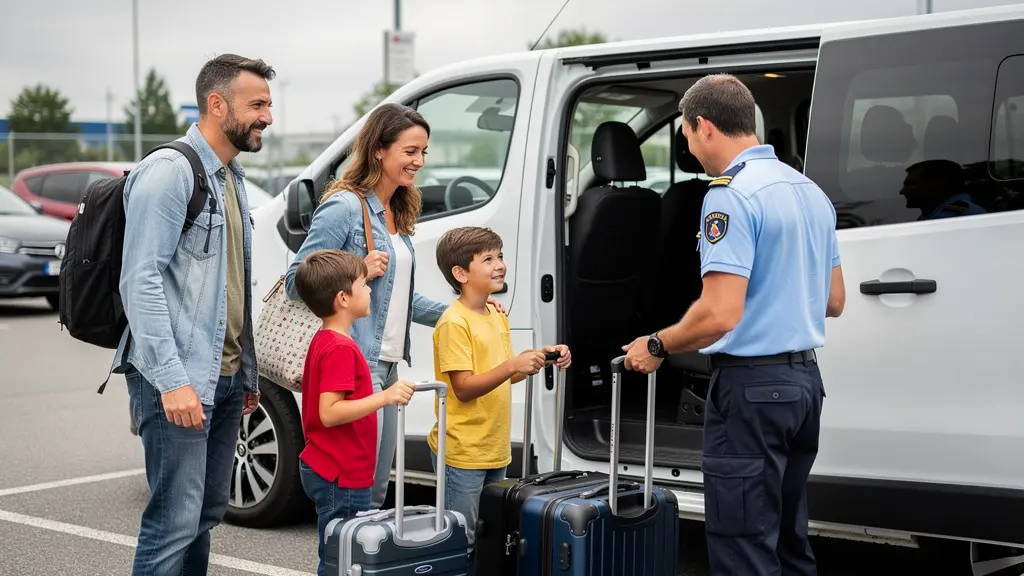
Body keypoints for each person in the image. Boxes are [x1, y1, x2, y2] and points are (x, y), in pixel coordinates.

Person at [621, 74, 846, 576]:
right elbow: (833, 301)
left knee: (743, 543)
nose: (687, 144)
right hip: (804, 386)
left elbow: (720, 313)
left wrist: (658, 343)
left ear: (703, 126)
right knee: (789, 540)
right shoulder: (809, 190)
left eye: (684, 133)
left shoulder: (729, 196)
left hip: (752, 391)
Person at [283, 103, 506, 510]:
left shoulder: (397, 210)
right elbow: (296, 280)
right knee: (360, 494)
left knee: (375, 493)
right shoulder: (345, 207)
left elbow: (402, 298)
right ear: (379, 151)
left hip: (387, 367)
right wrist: (360, 271)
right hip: (357, 367)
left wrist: (470, 313)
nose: (418, 161)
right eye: (410, 151)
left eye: (423, 152)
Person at [114, 54, 276, 575]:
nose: (268, 117)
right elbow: (140, 280)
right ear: (216, 103)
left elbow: (229, 286)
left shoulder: (230, 177)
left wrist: (244, 372)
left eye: (269, 105)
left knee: (205, 514)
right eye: (257, 104)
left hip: (224, 379)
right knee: (173, 521)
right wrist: (171, 380)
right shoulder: (169, 172)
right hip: (178, 379)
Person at [428, 226, 571, 553]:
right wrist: (511, 366)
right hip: (463, 451)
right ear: (461, 273)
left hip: (494, 447)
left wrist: (538, 359)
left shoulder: (494, 313)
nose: (500, 265)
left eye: (501, 256)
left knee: (491, 535)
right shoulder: (454, 322)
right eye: (488, 259)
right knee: (460, 539)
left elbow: (506, 373)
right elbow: (463, 389)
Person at [292, 248, 416, 576]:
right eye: (364, 285)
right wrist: (384, 397)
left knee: (340, 553)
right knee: (343, 559)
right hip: (341, 474)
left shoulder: (326, 339)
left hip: (332, 467)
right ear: (344, 298)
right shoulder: (340, 348)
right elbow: (330, 412)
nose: (371, 289)